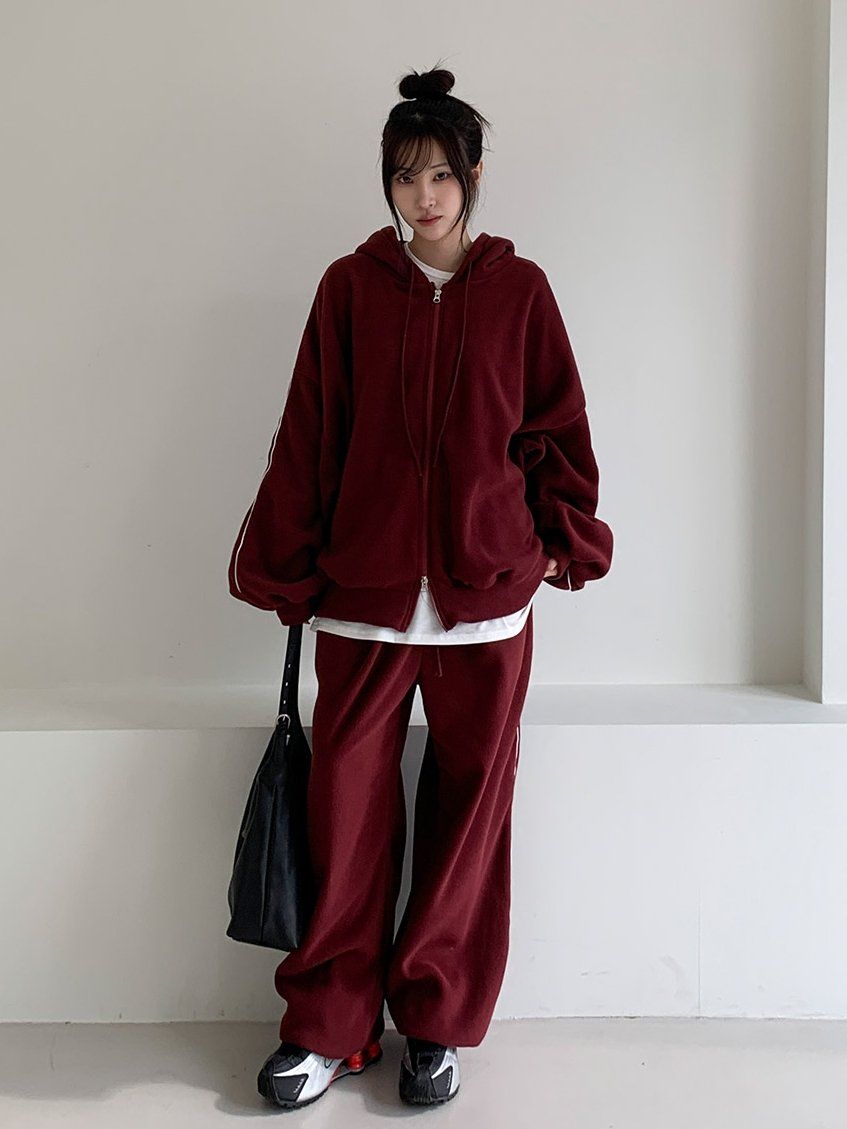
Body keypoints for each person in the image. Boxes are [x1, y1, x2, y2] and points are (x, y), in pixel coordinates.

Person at [228, 63, 614, 1111]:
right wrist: (289, 563)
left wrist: (554, 540)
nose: (423, 195)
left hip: (487, 599)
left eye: (440, 173)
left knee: (466, 817)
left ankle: (434, 1022)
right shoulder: (348, 289)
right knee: (344, 813)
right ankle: (329, 1025)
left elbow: (555, 429)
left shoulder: (520, 292)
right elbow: (311, 431)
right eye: (404, 176)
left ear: (473, 175)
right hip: (365, 592)